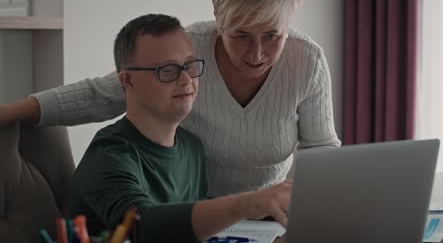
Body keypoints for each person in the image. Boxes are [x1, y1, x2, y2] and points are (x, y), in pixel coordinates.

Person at [0, 0, 340, 197]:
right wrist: (11, 111)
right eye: (241, 35)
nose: (256, 54)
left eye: (272, 36)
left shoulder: (307, 60)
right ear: (218, 18)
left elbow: (321, 148)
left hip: (267, 217)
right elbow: (104, 94)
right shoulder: (187, 49)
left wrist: (295, 208)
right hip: (184, 210)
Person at [68, 13, 291, 242]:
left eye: (190, 65)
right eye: (167, 70)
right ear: (128, 81)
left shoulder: (193, 148)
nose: (186, 79)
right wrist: (247, 204)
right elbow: (140, 230)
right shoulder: (109, 155)